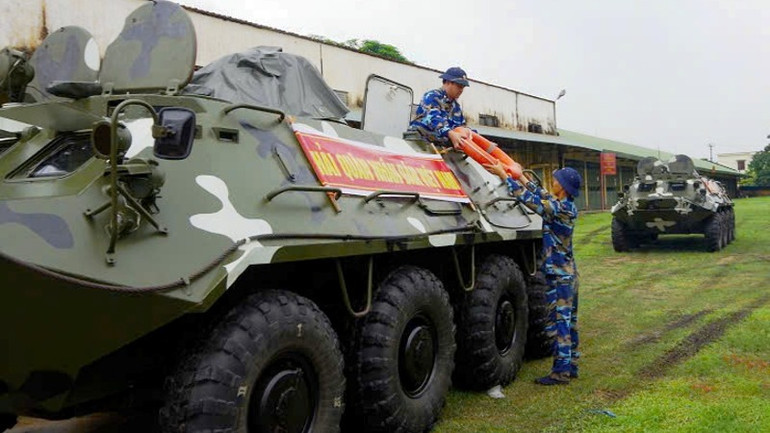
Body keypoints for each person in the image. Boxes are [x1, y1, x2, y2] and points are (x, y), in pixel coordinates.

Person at [485, 162, 582, 385]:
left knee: (560, 324)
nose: (553, 182)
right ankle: (571, 365)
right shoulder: (564, 205)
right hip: (568, 275)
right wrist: (521, 177)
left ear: (564, 187)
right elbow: (542, 194)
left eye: (557, 180)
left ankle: (560, 373)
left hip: (560, 277)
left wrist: (505, 177)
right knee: (570, 322)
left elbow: (532, 201)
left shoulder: (559, 209)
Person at [409, 67, 523, 179]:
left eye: (463, 87)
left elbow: (461, 127)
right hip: (422, 141)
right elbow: (432, 118)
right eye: (459, 86)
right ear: (448, 82)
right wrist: (450, 133)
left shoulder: (455, 106)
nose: (461, 90)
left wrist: (482, 142)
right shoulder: (432, 96)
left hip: (445, 147)